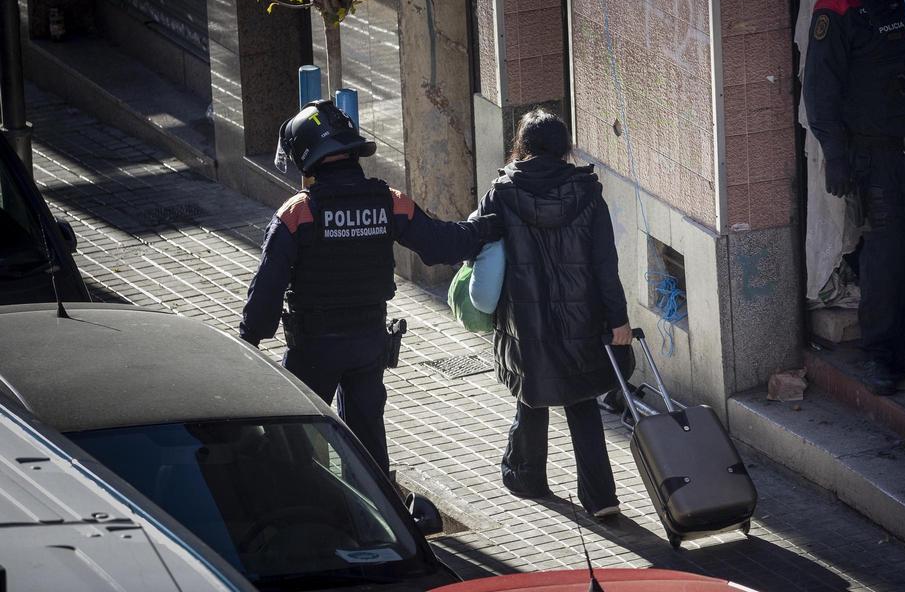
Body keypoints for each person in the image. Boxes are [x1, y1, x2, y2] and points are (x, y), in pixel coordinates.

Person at [240, 99, 503, 472]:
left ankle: (314, 510)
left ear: (308, 156)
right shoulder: (388, 202)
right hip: (368, 344)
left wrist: (248, 339)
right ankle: (377, 515)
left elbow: (266, 288)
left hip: (314, 348)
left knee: (297, 444)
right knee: (368, 449)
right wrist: (491, 226)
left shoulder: (298, 212)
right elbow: (443, 244)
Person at [802, 0, 905, 397]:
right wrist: (835, 155)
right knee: (885, 249)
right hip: (874, 153)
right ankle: (879, 351)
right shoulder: (841, 1)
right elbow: (820, 87)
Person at [473, 109, 631, 519]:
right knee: (580, 401)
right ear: (564, 148)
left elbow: (473, 239)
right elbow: (604, 265)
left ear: (522, 146)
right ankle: (601, 498)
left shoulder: (503, 193)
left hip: (525, 320)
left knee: (533, 389)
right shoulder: (588, 194)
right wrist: (618, 320)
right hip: (581, 319)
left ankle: (528, 475)